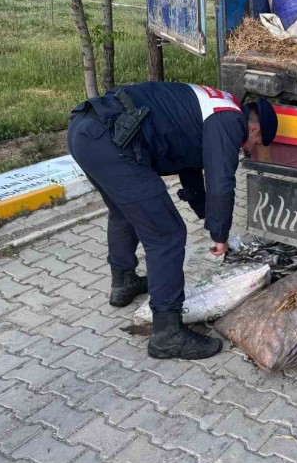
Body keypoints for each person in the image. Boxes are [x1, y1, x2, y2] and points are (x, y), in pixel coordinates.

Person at [66, 81, 278, 360]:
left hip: (85, 130)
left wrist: (207, 217)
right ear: (254, 128)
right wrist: (219, 234)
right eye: (253, 146)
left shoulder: (215, 105)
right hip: (111, 140)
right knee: (167, 234)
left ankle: (124, 282)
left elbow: (188, 164)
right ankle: (167, 334)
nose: (248, 149)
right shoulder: (230, 121)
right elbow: (221, 181)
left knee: (124, 210)